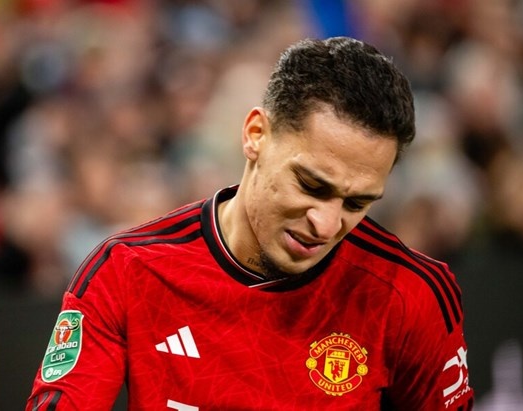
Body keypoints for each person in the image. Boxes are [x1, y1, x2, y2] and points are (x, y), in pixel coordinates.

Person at [26, 37, 474, 410]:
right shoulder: (126, 271)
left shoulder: (411, 294)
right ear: (255, 135)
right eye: (311, 185)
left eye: (357, 203)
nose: (325, 225)